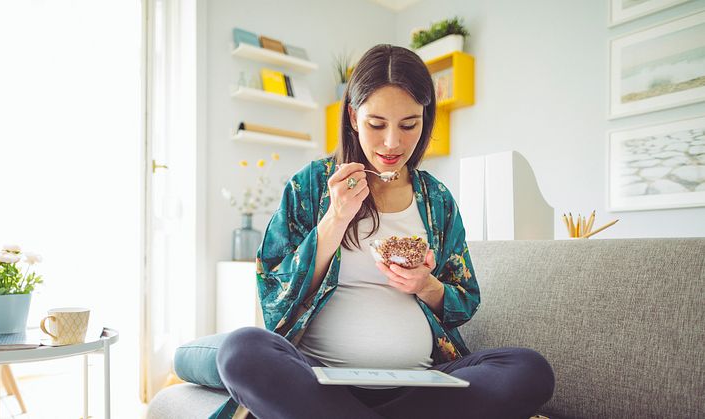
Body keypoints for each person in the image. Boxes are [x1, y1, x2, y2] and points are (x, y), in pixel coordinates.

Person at [213, 44, 555, 419]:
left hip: (422, 386)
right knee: (241, 350)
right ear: (353, 118)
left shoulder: (436, 199)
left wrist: (424, 285)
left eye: (409, 124)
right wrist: (335, 219)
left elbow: (465, 300)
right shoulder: (310, 186)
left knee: (529, 371)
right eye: (377, 124)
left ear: (425, 119)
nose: (393, 143)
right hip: (319, 384)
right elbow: (273, 297)